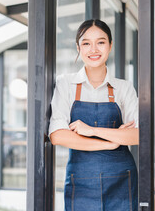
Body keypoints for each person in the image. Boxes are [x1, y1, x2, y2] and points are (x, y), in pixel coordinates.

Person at [49, 19, 139, 211]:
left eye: (100, 42)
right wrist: (111, 142)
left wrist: (91, 130)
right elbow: (57, 135)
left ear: (110, 45)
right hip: (80, 180)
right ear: (78, 47)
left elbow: (137, 135)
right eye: (86, 43)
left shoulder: (124, 88)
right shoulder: (65, 84)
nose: (93, 49)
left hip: (121, 179)